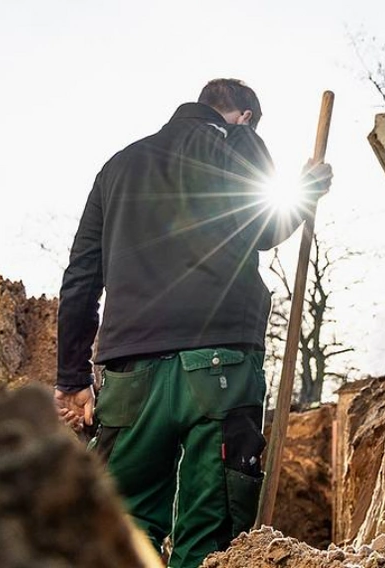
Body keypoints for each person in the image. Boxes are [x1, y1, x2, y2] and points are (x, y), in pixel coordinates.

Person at [54, 78, 331, 568]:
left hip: (131, 375)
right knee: (210, 539)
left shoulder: (118, 166)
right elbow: (265, 227)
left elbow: (80, 278)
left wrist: (72, 378)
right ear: (245, 117)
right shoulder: (235, 146)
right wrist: (305, 190)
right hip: (221, 365)